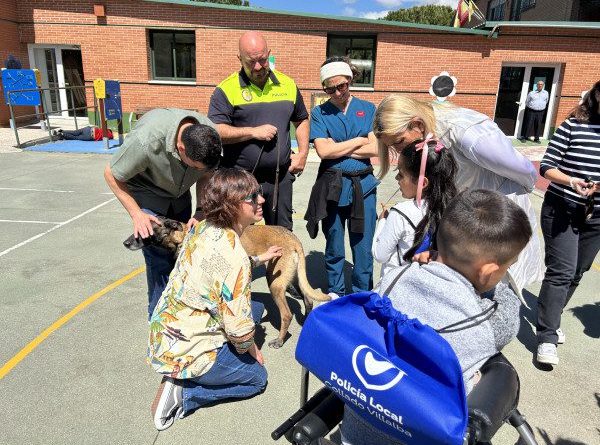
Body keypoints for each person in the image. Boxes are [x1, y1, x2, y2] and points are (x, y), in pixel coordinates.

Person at [341, 189, 530, 445]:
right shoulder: (488, 321)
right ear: (488, 272)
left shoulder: (393, 279)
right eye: (507, 268)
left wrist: (435, 259)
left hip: (356, 433)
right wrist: (499, 284)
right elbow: (508, 307)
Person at [148, 168, 283, 431]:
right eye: (253, 196)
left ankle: (193, 372)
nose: (261, 200)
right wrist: (252, 350)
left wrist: (258, 259)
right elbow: (240, 332)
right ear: (233, 206)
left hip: (165, 330)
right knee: (257, 379)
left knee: (254, 308)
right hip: (188, 349)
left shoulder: (202, 228)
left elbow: (216, 269)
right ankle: (184, 393)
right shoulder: (235, 258)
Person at [373, 94, 544, 294]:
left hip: (493, 219)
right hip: (468, 218)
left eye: (399, 142)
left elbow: (524, 172)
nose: (399, 150)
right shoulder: (429, 137)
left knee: (492, 286)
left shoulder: (467, 134)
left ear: (417, 125)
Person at [104, 108, 221, 319]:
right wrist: (136, 214)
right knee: (159, 260)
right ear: (181, 148)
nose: (197, 168)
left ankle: (182, 313)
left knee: (183, 255)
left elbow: (205, 176)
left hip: (179, 194)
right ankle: (158, 321)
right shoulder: (146, 141)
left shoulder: (208, 137)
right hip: (147, 195)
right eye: (193, 165)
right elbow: (111, 174)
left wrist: (201, 210)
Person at [208, 30, 309, 231]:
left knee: (281, 235)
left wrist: (304, 153)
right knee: (236, 235)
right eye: (250, 62)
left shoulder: (288, 84)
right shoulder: (225, 89)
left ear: (269, 54)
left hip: (279, 178)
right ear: (239, 59)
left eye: (262, 60)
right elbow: (215, 132)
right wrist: (253, 132)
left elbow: (302, 120)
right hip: (239, 180)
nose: (257, 67)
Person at [535, 80, 600, 366]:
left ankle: (552, 315)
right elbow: (547, 166)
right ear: (597, 94)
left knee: (577, 271)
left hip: (596, 215)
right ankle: (546, 337)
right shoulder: (573, 124)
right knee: (561, 271)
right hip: (563, 208)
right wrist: (572, 181)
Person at [304, 57, 379, 297]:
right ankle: (336, 291)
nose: (336, 93)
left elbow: (376, 148)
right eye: (330, 88)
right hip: (333, 186)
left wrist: (338, 146)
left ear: (350, 81)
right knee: (334, 242)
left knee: (363, 245)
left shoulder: (368, 109)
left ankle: (361, 293)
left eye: (341, 86)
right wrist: (359, 140)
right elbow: (323, 151)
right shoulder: (319, 113)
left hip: (363, 187)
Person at [372, 136, 457, 280]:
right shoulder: (453, 208)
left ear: (422, 183)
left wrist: (382, 222)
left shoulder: (400, 213)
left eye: (400, 174)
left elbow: (380, 255)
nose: (397, 179)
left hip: (398, 288)